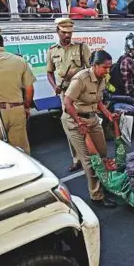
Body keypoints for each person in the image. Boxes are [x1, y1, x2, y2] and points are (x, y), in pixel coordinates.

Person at [63, 50, 118, 208]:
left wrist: (109, 115)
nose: (108, 70)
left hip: (92, 119)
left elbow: (98, 101)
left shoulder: (101, 78)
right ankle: (97, 195)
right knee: (90, 160)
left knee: (102, 154)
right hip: (75, 121)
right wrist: (79, 122)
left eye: (109, 67)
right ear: (95, 65)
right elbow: (67, 102)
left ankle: (105, 185)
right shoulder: (81, 78)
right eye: (105, 67)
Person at [47, 18, 91, 172]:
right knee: (69, 126)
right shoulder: (52, 50)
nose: (67, 35)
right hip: (65, 95)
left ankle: (91, 156)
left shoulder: (81, 47)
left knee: (86, 123)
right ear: (57, 31)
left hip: (81, 93)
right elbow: (49, 72)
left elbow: (91, 69)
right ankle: (77, 159)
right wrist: (55, 87)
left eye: (70, 33)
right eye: (64, 32)